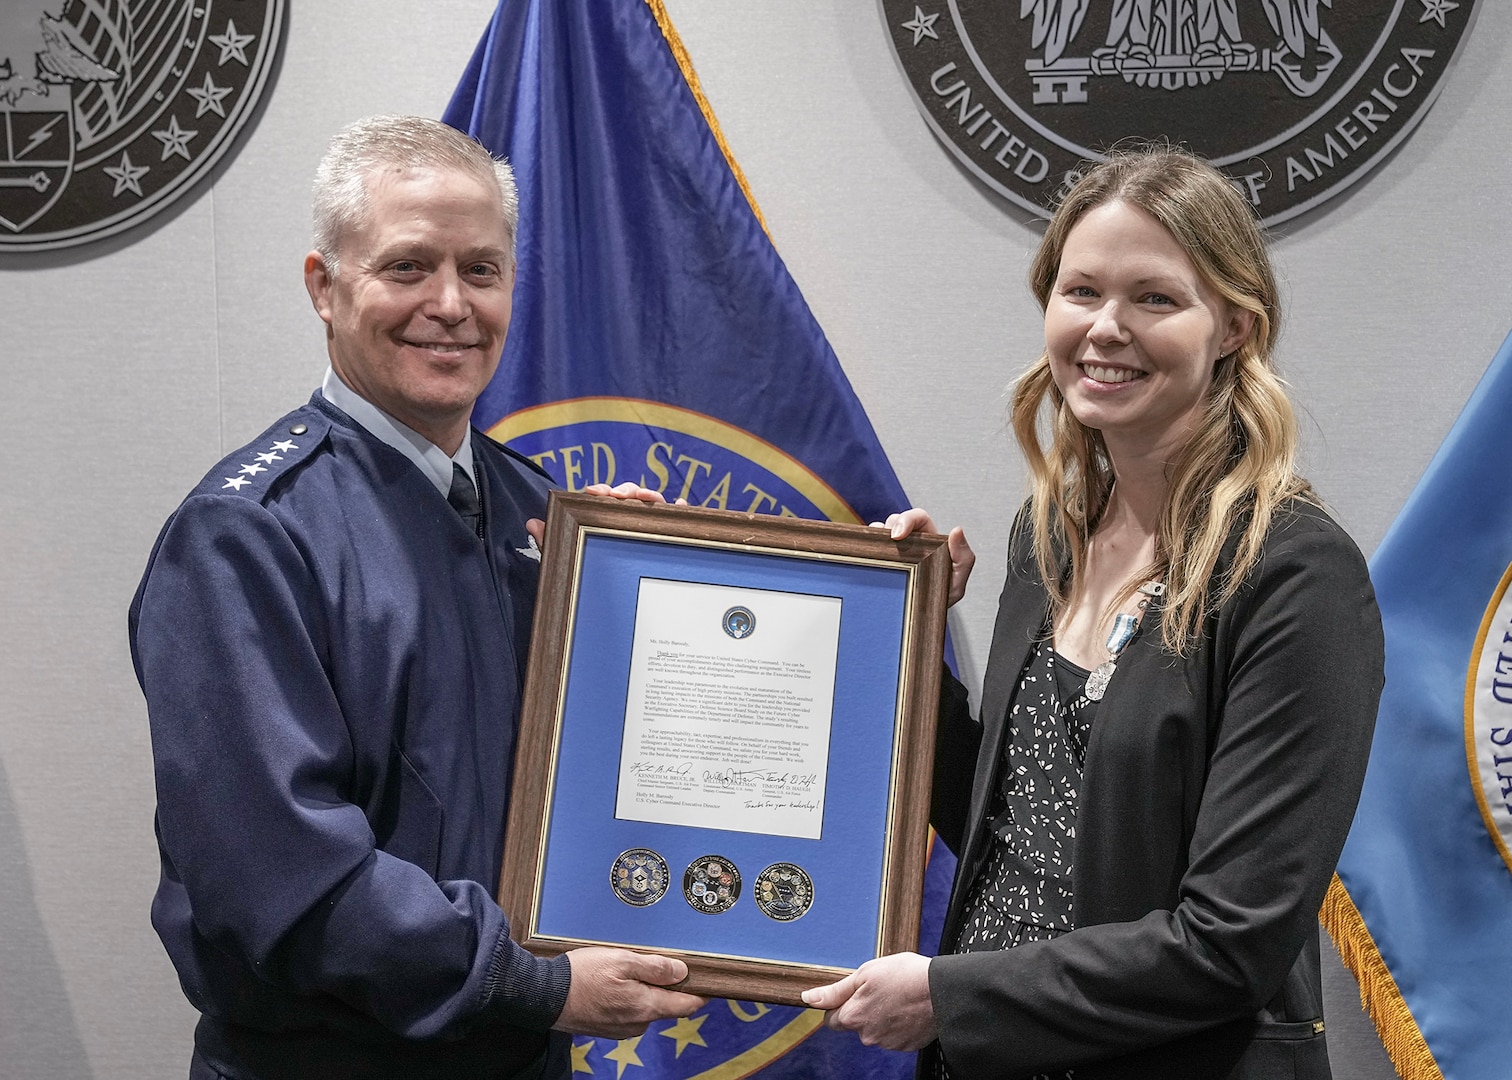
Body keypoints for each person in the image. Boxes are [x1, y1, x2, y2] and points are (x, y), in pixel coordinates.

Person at [129, 115, 703, 1080]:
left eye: (481, 271)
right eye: (406, 267)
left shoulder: (546, 519)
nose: (450, 304)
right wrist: (536, 984)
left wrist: (649, 587)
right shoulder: (246, 537)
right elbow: (283, 880)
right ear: (324, 286)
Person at [802, 146, 1385, 1079]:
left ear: (1234, 325)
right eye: (1081, 292)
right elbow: (1011, 822)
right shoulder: (1050, 535)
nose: (1106, 329)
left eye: (1154, 299)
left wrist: (952, 996)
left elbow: (1230, 943)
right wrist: (902, 640)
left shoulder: (1295, 575)